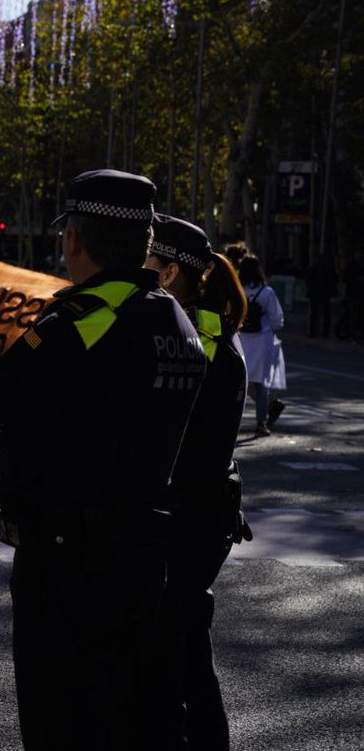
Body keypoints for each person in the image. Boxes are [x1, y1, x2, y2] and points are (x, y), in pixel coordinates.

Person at [0, 169, 206, 751]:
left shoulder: (85, 322)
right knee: (129, 720)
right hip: (143, 552)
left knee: (60, 720)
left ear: (74, 241)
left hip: (69, 563)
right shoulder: (175, 318)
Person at [141, 215, 251, 750]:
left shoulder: (198, 338)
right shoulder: (201, 328)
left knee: (172, 645)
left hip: (191, 511)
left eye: (148, 266)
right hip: (198, 510)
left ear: (170, 274)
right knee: (182, 641)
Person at [237, 255, 286, 437]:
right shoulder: (267, 292)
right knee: (261, 384)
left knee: (242, 381)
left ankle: (235, 419)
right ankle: (261, 421)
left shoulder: (239, 290)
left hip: (242, 340)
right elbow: (277, 321)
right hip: (262, 341)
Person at [305, 254, 338, 339]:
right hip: (319, 292)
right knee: (319, 313)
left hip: (322, 292)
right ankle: (318, 332)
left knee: (320, 313)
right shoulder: (316, 268)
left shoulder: (323, 269)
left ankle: (319, 332)